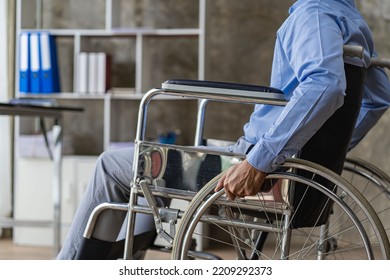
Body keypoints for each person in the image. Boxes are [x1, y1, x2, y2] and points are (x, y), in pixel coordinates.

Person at [57, 0, 390, 259]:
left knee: (112, 166)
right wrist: (320, 152)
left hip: (261, 164)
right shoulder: (354, 23)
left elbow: (326, 86)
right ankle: (129, 258)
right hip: (287, 165)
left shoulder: (312, 15)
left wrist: (261, 160)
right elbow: (378, 99)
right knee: (144, 178)